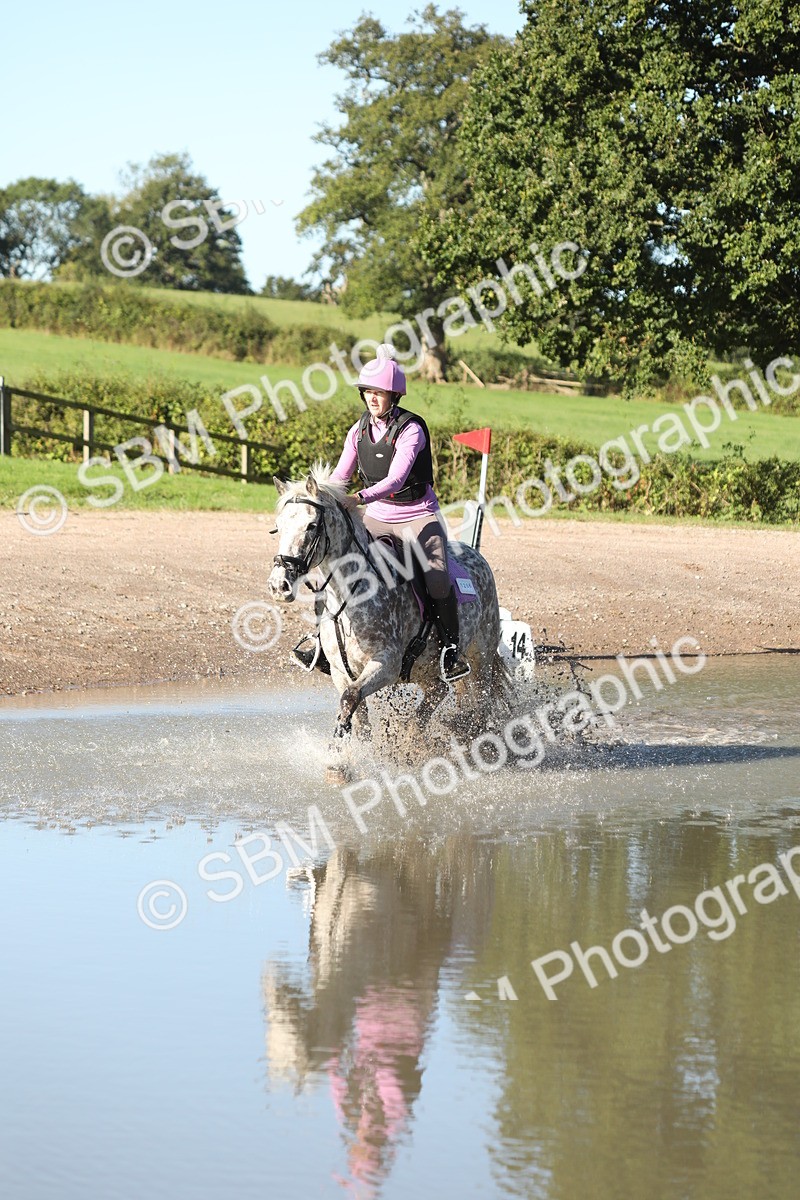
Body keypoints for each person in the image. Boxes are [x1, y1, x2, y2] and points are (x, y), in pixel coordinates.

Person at [292, 343, 470, 682]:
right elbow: (340, 476)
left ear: (394, 395)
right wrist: (321, 496)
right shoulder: (357, 431)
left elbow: (396, 479)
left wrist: (359, 497)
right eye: (368, 392)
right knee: (335, 565)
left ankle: (450, 651)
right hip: (378, 516)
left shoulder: (411, 429)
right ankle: (320, 642)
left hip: (418, 516)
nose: (373, 398)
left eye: (380, 393)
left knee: (436, 575)